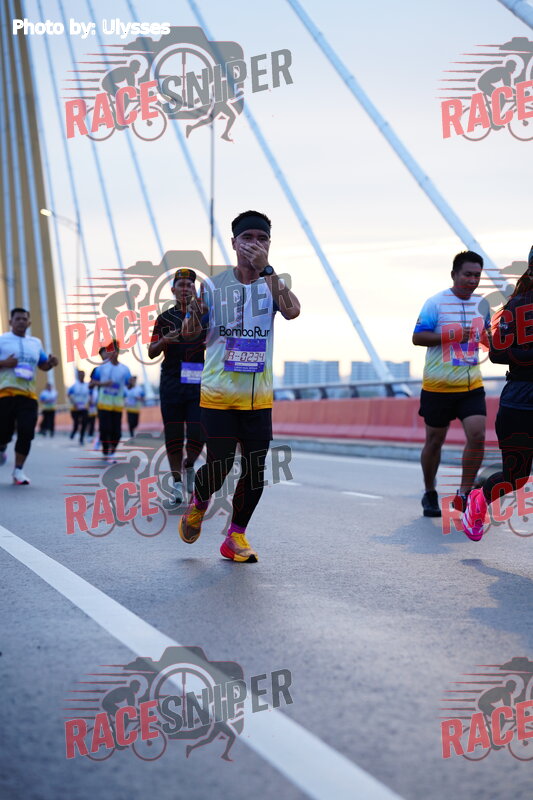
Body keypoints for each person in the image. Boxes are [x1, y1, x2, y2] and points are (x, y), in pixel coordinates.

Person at [179, 210, 301, 562]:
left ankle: (236, 536)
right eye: (247, 238)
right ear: (233, 243)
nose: (254, 244)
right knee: (218, 465)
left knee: (255, 470)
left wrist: (267, 270)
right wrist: (193, 314)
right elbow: (189, 334)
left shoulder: (274, 282)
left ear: (269, 245)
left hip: (258, 398)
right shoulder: (213, 286)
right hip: (218, 394)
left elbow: (292, 311)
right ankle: (199, 503)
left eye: (262, 239)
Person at [462, 248, 533, 540]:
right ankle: (479, 499)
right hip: (520, 402)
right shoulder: (516, 306)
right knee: (516, 478)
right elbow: (498, 354)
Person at [412, 251, 490, 517]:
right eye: (467, 274)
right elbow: (417, 337)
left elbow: (488, 337)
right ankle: (429, 492)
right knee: (435, 441)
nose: (472, 280)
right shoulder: (435, 303)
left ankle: (464, 493)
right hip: (438, 387)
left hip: (471, 386)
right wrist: (452, 335)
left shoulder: (482, 305)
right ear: (454, 274)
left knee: (478, 436)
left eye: (477, 275)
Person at [148, 268, 206, 505]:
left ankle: (189, 463)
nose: (185, 289)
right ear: (173, 290)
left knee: (198, 432)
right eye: (181, 285)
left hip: (198, 382)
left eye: (190, 285)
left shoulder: (205, 315)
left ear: (195, 290)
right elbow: (151, 352)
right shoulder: (164, 318)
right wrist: (164, 341)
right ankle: (177, 483)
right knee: (173, 435)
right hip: (171, 382)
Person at [0, 308, 58, 484]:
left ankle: (18, 471)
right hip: (5, 394)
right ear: (10, 322)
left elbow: (42, 365)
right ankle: (2, 446)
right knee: (3, 433)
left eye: (24, 319)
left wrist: (50, 363)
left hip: (28, 396)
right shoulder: (2, 340)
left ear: (29, 322)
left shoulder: (35, 343)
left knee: (26, 432)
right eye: (17, 319)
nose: (21, 322)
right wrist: (4, 363)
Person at [90, 340, 132, 464]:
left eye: (115, 350)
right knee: (105, 429)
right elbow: (91, 384)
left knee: (117, 432)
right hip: (103, 404)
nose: (112, 353)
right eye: (110, 351)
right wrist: (104, 384)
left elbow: (129, 385)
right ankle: (106, 450)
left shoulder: (125, 369)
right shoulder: (101, 368)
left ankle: (112, 452)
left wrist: (131, 383)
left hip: (117, 405)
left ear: (118, 352)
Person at [67, 369, 90, 445]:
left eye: (83, 375)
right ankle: (74, 431)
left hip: (84, 407)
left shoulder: (87, 385)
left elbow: (90, 394)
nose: (81, 376)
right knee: (76, 422)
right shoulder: (74, 386)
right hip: (75, 408)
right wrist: (74, 402)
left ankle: (81, 438)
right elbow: (69, 395)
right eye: (80, 375)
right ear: (78, 376)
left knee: (84, 422)